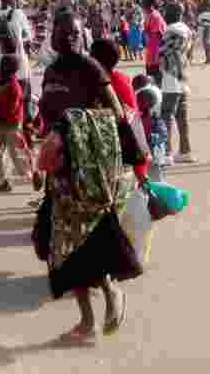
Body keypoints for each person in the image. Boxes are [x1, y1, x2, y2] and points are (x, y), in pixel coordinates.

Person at [35, 18, 134, 345]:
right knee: (64, 246)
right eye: (62, 33)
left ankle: (112, 295)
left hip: (89, 172)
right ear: (53, 36)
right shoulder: (50, 72)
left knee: (94, 239)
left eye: (74, 33)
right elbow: (46, 116)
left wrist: (74, 125)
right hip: (60, 172)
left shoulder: (92, 69)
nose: (68, 38)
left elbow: (117, 115)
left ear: (82, 36)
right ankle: (86, 320)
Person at [0, 54, 35, 194]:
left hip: (11, 124)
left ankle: (33, 176)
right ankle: (4, 181)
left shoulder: (14, 86)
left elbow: (12, 108)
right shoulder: (0, 82)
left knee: (16, 155)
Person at [159, 3, 194, 164]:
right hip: (183, 76)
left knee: (166, 115)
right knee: (182, 117)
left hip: (171, 77)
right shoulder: (187, 30)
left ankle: (167, 153)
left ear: (173, 13)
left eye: (166, 12)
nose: (164, 15)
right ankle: (185, 151)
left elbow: (163, 53)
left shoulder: (170, 30)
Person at [141, 0, 166, 87]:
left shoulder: (155, 17)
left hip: (155, 58)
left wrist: (154, 59)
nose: (142, 3)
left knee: (156, 84)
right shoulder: (149, 15)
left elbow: (157, 40)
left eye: (144, 1)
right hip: (151, 56)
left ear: (149, 3)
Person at [197, 0, 210, 64]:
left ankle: (208, 58)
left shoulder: (203, 13)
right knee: (209, 43)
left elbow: (199, 21)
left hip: (205, 29)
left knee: (206, 44)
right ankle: (209, 57)